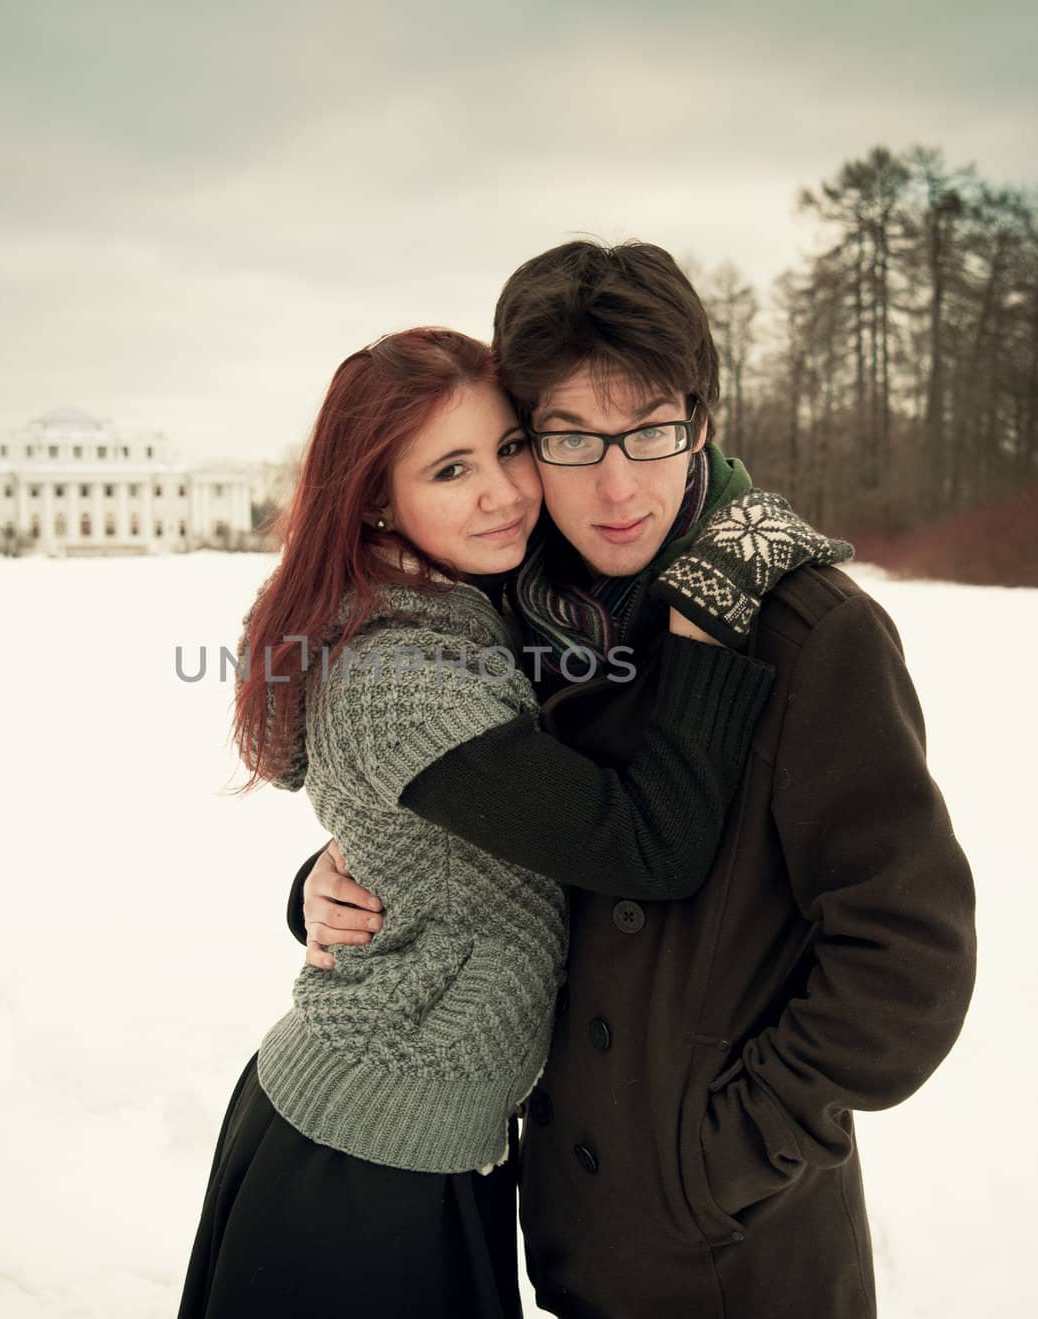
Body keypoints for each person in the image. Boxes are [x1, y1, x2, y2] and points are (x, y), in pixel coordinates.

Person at [291, 242, 978, 1318]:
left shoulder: (810, 632)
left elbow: (908, 953)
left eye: (651, 430)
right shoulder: (513, 616)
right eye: (568, 437)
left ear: (701, 421)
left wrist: (723, 1155)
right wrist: (332, 878)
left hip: (736, 1255)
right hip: (568, 1232)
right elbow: (509, 830)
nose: (617, 486)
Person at [178, 326, 843, 1319]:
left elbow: (450, 828)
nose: (502, 491)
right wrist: (704, 627)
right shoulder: (403, 674)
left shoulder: (468, 606)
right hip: (357, 1168)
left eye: (511, 448)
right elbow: (642, 845)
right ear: (371, 496)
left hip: (426, 1139)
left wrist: (333, 868)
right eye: (450, 468)